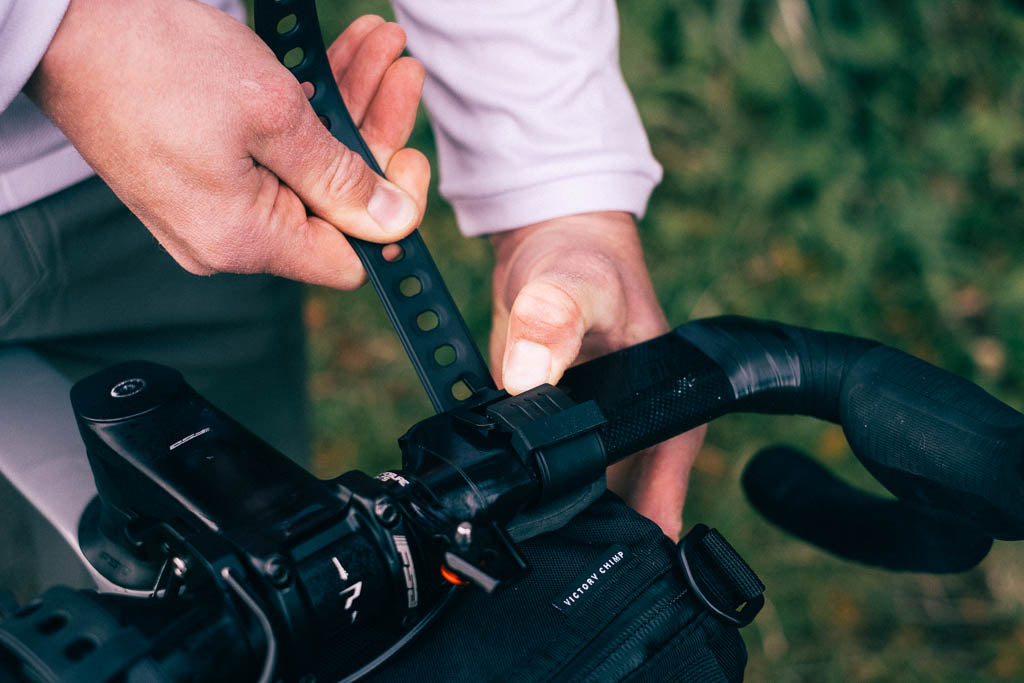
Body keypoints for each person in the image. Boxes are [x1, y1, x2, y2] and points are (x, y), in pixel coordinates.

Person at [0, 0, 701, 591]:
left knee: (253, 584)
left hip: (201, 151)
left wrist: (559, 197)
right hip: (161, 106)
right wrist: (68, 32)